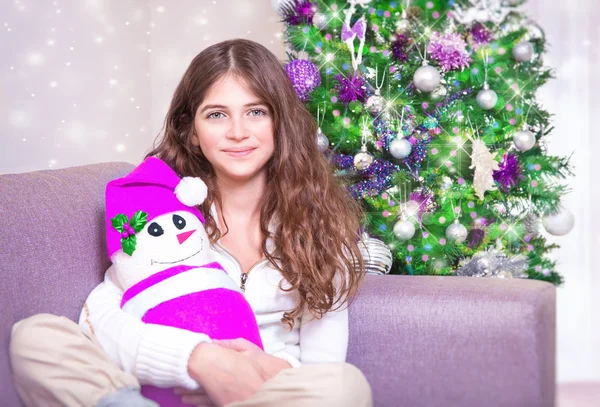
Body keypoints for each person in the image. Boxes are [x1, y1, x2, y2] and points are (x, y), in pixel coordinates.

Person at [10, 38, 372, 407]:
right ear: (192, 132)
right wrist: (199, 361)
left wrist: (259, 371)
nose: (237, 132)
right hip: (162, 390)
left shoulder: (321, 228)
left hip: (260, 396)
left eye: (256, 112)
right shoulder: (163, 208)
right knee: (36, 337)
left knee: (344, 385)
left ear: (281, 123)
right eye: (216, 114)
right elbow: (99, 318)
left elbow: (322, 366)